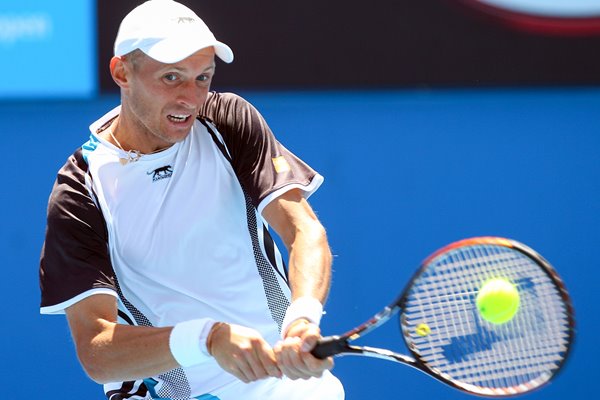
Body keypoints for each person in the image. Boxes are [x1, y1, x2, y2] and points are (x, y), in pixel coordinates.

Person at [38, 0, 344, 399]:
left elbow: (304, 231)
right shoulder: (81, 190)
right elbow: (98, 351)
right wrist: (206, 338)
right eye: (171, 77)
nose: (190, 97)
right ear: (122, 72)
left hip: (282, 382)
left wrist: (303, 317)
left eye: (202, 78)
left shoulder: (229, 120)